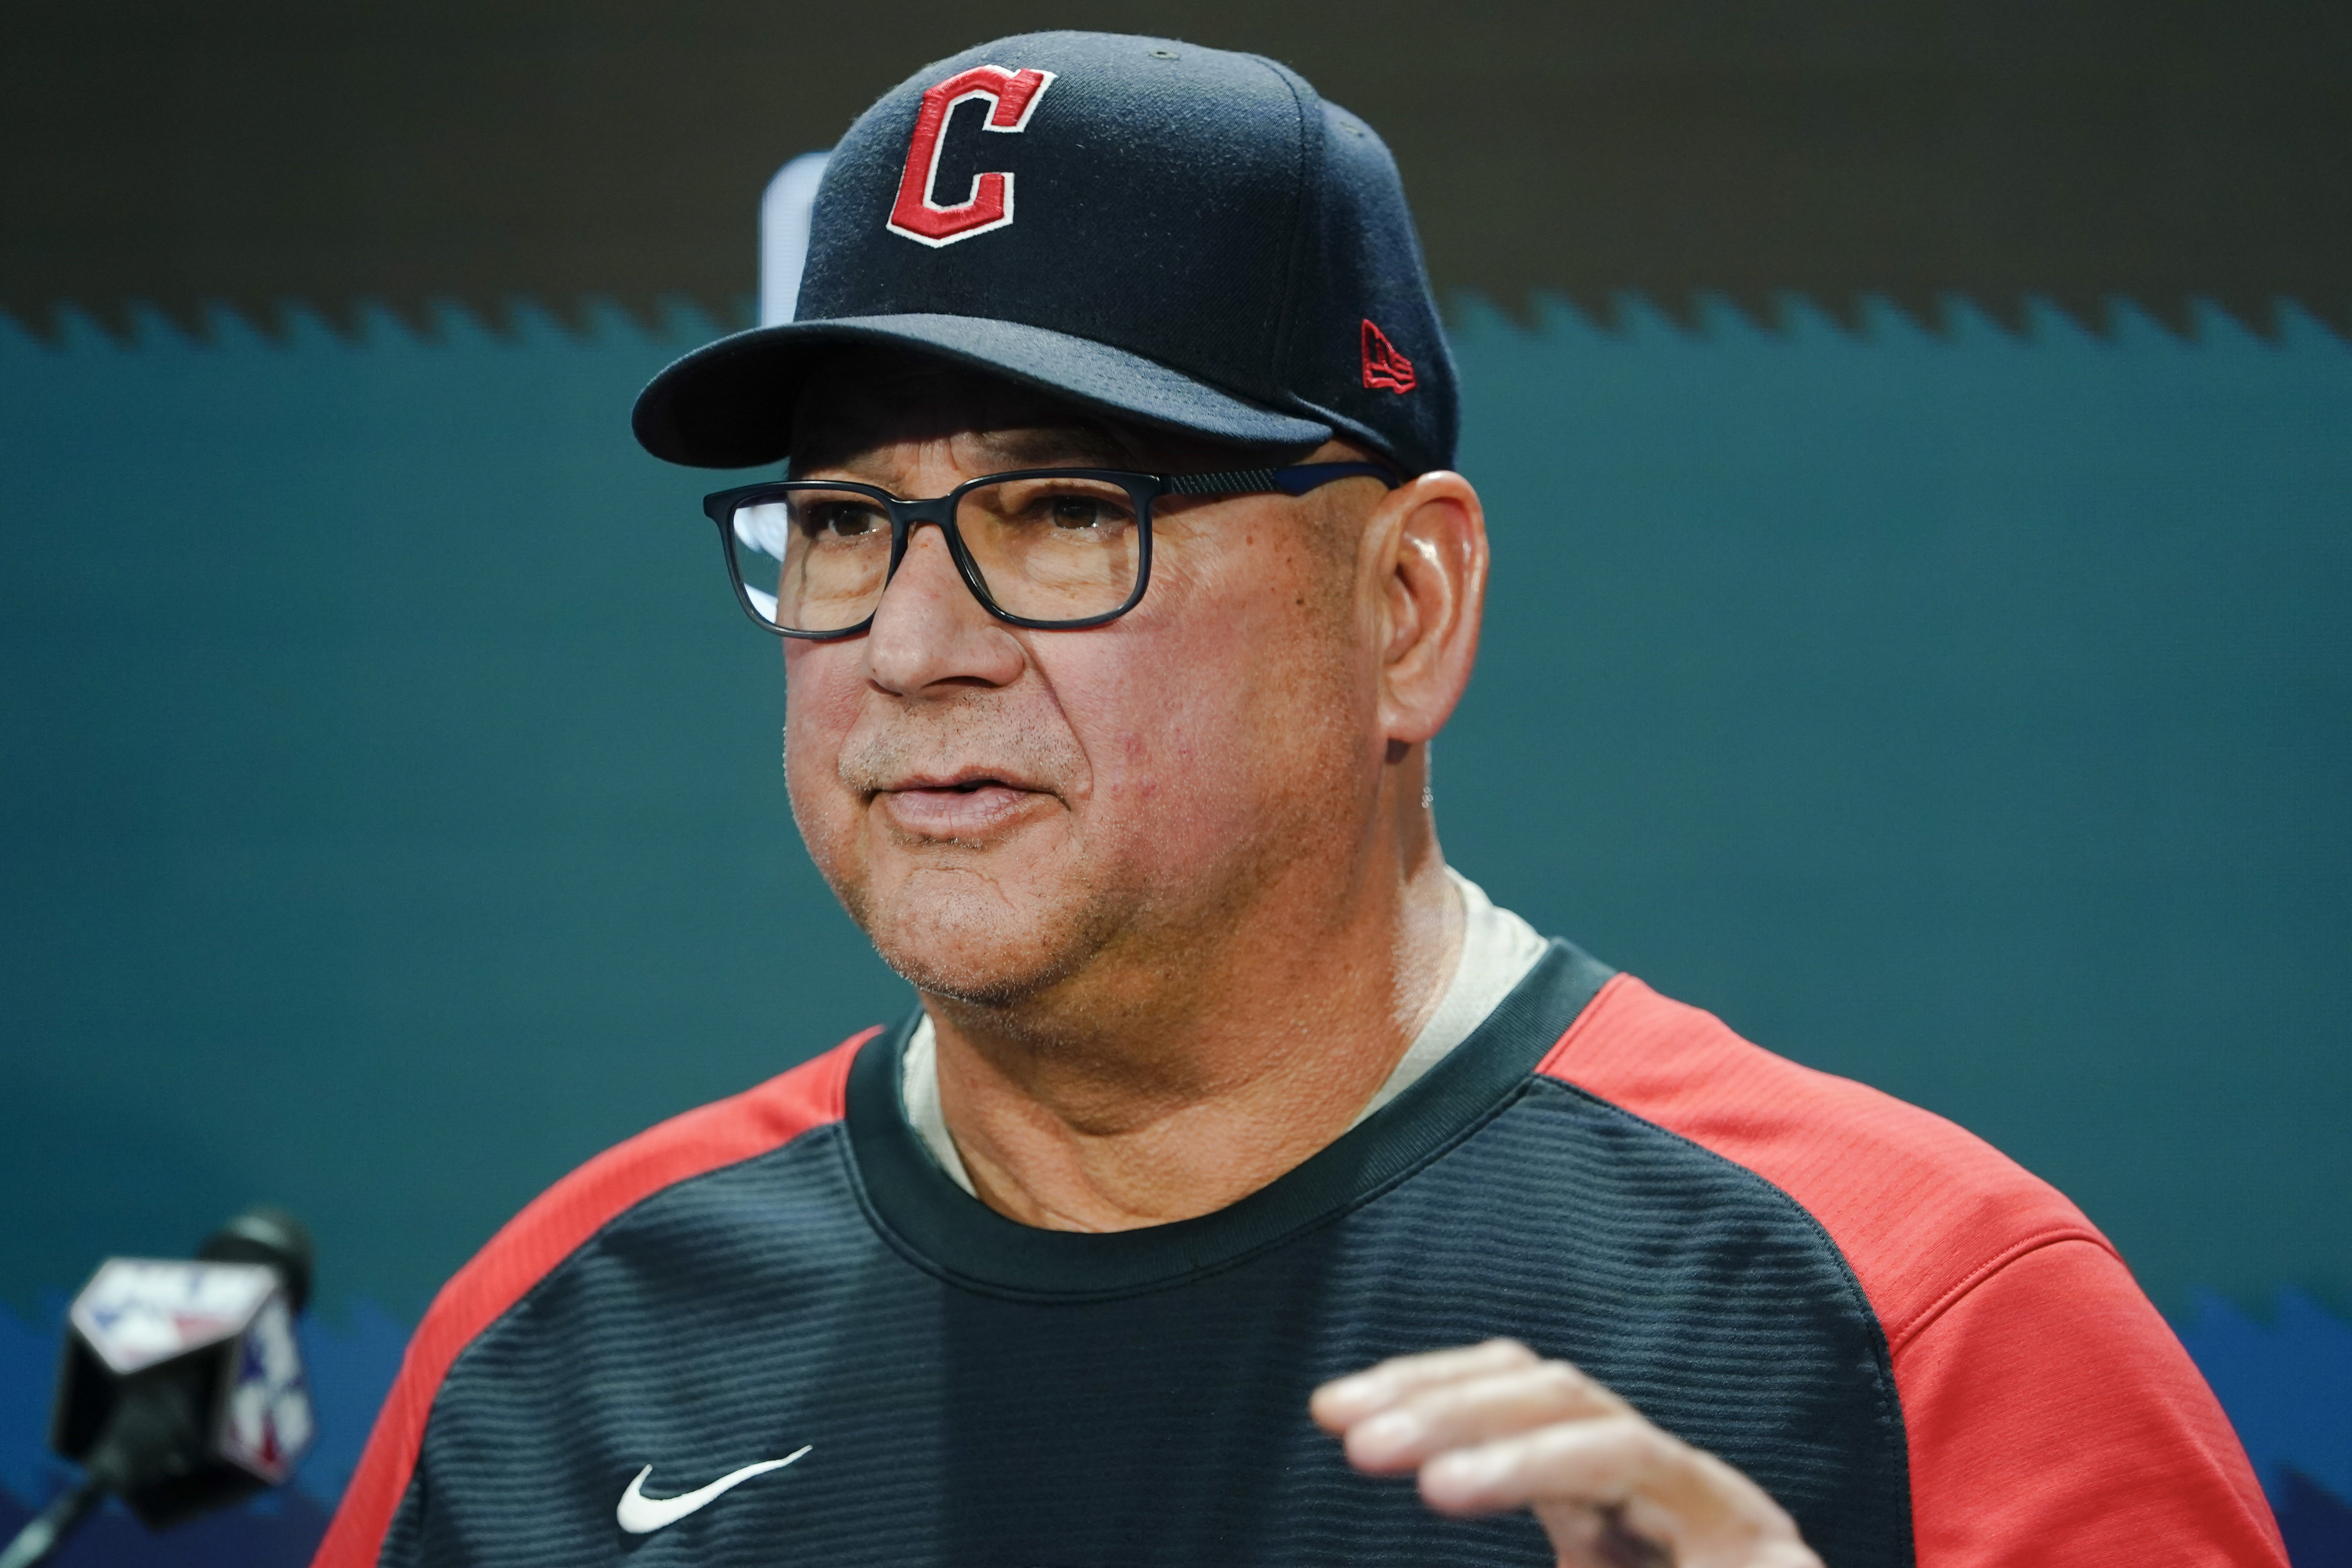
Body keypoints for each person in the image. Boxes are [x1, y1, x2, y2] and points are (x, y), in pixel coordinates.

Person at [315, 31, 2285, 1568]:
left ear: (1405, 609)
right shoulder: (556, 1347)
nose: (911, 646)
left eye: (1068, 510)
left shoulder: (1917, 1321)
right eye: (842, 524)